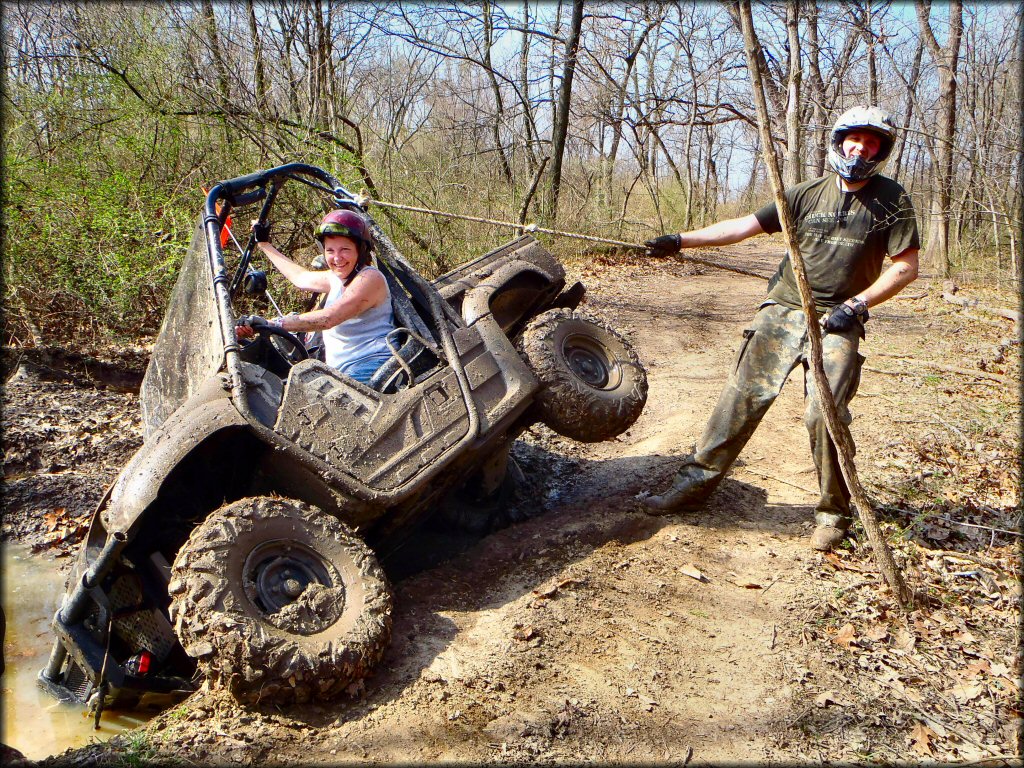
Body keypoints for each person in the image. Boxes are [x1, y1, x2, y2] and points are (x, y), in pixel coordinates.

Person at [641, 105, 920, 552]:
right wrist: (680, 240)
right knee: (743, 397)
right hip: (783, 308)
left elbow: (906, 267)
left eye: (872, 142)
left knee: (823, 413)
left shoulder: (892, 200)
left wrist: (857, 305)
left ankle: (833, 512)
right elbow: (743, 228)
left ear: (881, 150)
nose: (861, 148)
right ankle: (690, 488)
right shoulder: (806, 193)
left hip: (839, 318)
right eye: (855, 139)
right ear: (839, 140)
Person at [237, 209, 396, 385]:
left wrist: (272, 324)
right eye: (330, 250)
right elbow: (300, 277)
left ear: (361, 250)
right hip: (344, 372)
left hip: (373, 368)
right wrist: (264, 244)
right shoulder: (336, 278)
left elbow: (329, 318)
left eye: (345, 249)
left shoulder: (370, 278)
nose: (336, 258)